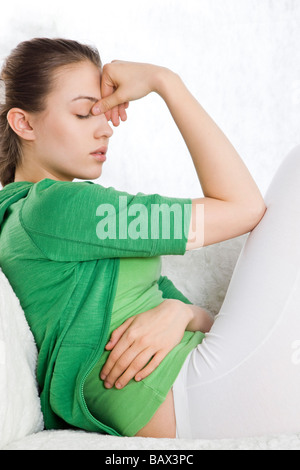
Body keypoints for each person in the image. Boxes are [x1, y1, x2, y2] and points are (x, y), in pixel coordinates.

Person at [3, 37, 295, 440]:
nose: (105, 128)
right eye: (86, 113)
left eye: (103, 113)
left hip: (204, 393)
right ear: (24, 123)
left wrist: (181, 314)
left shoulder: (36, 219)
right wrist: (165, 82)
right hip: (201, 398)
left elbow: (205, 321)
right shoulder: (58, 209)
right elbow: (243, 207)